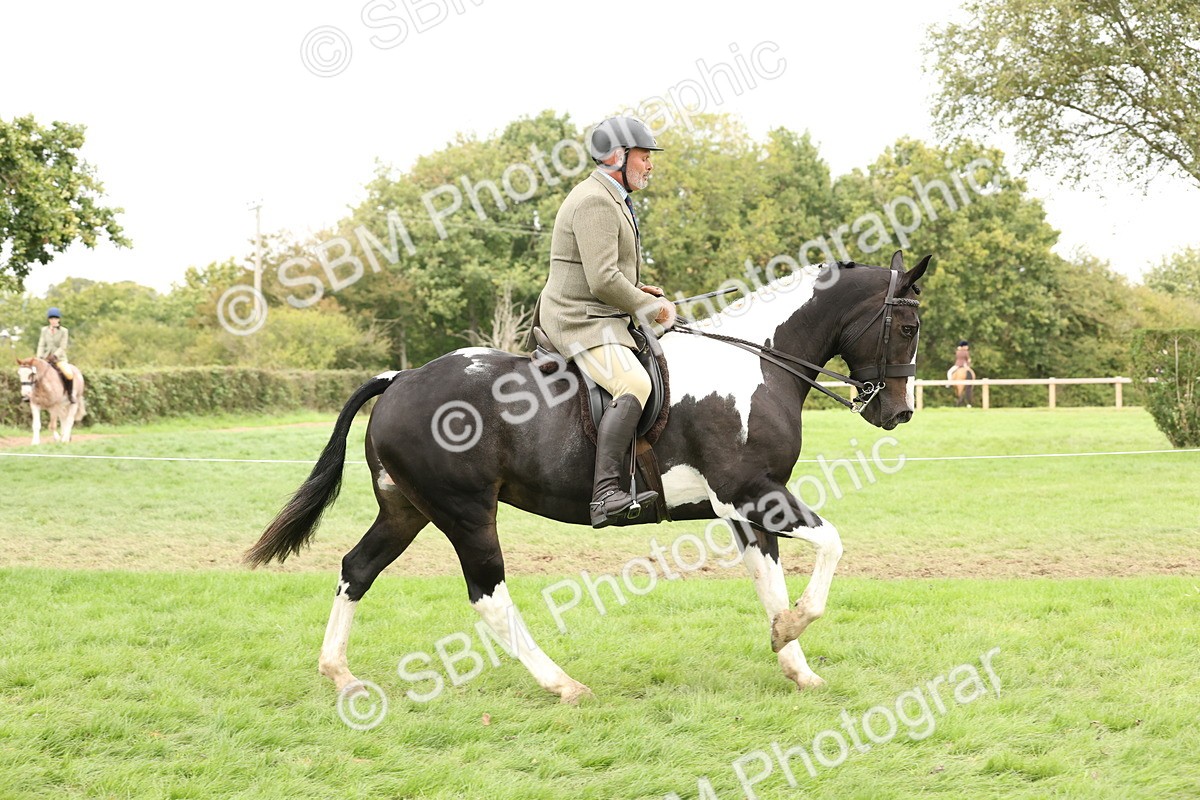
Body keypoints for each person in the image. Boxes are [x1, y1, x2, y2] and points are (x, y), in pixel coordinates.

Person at [528, 116, 677, 528]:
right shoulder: (595, 200)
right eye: (644, 156)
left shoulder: (611, 197)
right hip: (579, 319)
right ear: (617, 156)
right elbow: (603, 279)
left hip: (599, 311)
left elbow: (609, 273)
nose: (650, 165)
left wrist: (639, 291)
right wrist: (652, 310)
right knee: (634, 383)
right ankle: (606, 493)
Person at [36, 307, 75, 397]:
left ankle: (70, 394)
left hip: (59, 359)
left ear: (59, 319)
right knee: (34, 373)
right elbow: (41, 345)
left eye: (55, 319)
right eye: (51, 319)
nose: (53, 321)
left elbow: (63, 346)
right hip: (46, 357)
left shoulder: (64, 331)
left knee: (69, 374)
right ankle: (33, 395)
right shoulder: (44, 330)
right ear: (49, 320)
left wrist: (55, 355)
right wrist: (39, 357)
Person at [947, 339, 975, 407]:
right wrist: (968, 365)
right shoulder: (966, 352)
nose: (967, 347)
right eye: (966, 346)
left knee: (949, 372)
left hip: (957, 365)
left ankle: (949, 383)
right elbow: (968, 359)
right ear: (964, 346)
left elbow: (958, 357)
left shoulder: (958, 351)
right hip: (965, 365)